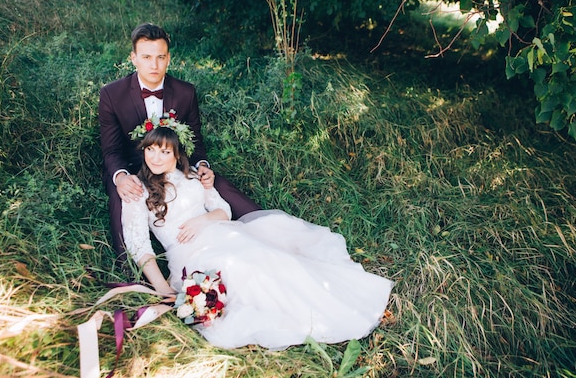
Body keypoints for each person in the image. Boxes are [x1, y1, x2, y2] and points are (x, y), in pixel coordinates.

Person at [121, 119, 394, 350]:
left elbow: (222, 209)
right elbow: (138, 244)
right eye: (151, 150)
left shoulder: (193, 176)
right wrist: (162, 288)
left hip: (223, 232)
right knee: (239, 268)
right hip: (190, 254)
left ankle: (325, 307)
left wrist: (203, 220)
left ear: (177, 154)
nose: (156, 158)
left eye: (165, 152)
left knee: (269, 256)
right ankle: (299, 317)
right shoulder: (137, 189)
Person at [99, 22, 260, 259]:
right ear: (133, 58)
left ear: (168, 58)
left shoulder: (185, 92)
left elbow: (194, 141)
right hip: (135, 169)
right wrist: (121, 177)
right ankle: (129, 271)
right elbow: (111, 149)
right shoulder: (112, 94)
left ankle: (263, 227)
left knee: (218, 184)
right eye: (146, 57)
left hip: (175, 164)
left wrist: (202, 166)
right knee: (122, 194)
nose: (154, 65)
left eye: (160, 57)